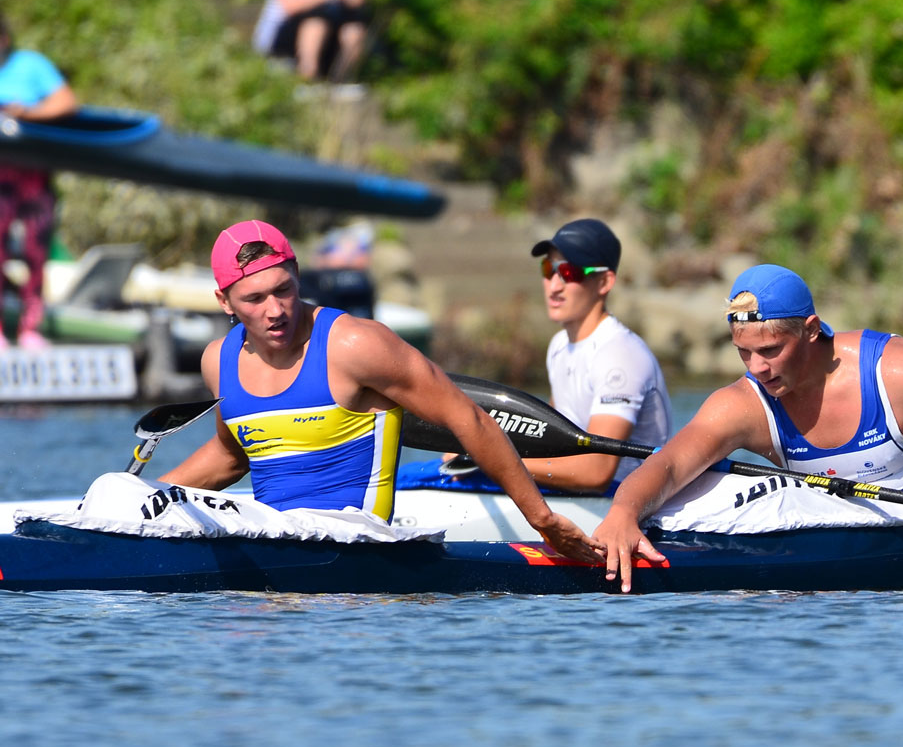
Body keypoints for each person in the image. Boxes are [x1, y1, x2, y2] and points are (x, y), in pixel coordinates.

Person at [591, 263, 903, 590]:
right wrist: (623, 513)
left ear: (812, 330)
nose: (757, 367)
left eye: (771, 350)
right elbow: (670, 463)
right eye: (744, 352)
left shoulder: (897, 371)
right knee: (700, 485)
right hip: (842, 537)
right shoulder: (744, 404)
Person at [158, 220, 600, 561]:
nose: (274, 310)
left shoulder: (356, 345)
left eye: (284, 290)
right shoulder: (218, 360)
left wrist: (542, 520)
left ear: (297, 274)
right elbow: (230, 456)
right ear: (224, 302)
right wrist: (137, 499)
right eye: (254, 299)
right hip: (275, 547)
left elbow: (468, 419)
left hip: (355, 550)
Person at [521, 219, 672, 492]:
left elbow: (596, 471)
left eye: (568, 272)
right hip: (579, 494)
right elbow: (549, 439)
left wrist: (494, 461)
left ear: (604, 281)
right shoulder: (558, 346)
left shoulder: (619, 355)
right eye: (548, 269)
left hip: (628, 501)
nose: (554, 286)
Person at [0, 13, 78, 351]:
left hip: (32, 176)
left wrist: (26, 114)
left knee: (35, 250)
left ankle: (31, 328)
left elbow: (66, 102)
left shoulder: (29, 65)